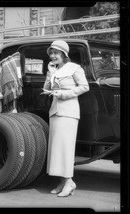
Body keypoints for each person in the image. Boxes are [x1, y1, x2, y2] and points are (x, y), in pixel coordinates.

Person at [42, 40, 89, 197]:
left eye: (56, 53)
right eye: (51, 53)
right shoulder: (54, 70)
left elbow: (84, 86)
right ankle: (63, 182)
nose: (53, 56)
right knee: (57, 149)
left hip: (68, 112)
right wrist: (50, 73)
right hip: (55, 112)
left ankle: (69, 182)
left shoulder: (74, 68)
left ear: (64, 54)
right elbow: (46, 89)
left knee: (65, 148)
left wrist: (64, 94)